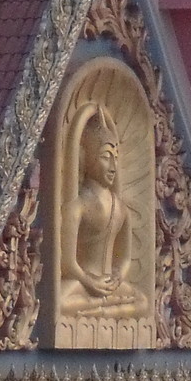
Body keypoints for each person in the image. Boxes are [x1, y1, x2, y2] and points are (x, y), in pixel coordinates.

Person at [60, 108, 147, 318]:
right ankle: (104, 308)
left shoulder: (121, 209)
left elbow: (124, 258)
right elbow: (68, 263)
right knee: (60, 302)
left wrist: (118, 276)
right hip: (82, 282)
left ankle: (98, 308)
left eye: (116, 158)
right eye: (106, 157)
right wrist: (89, 280)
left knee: (143, 303)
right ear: (86, 158)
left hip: (110, 284)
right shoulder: (77, 206)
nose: (113, 166)